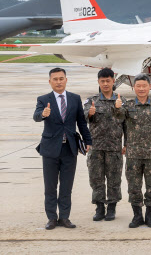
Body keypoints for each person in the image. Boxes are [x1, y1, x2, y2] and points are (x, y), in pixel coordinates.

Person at [33, 67, 92, 230]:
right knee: (50, 186)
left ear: (66, 80)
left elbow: (81, 122)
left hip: (69, 149)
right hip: (50, 149)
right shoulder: (43, 99)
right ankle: (52, 218)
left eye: (61, 78)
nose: (58, 82)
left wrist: (88, 140)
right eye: (55, 79)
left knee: (66, 186)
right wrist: (43, 114)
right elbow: (36, 116)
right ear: (50, 81)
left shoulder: (74, 98)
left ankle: (65, 217)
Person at [120, 73, 151, 228]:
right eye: (138, 86)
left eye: (144, 86)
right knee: (134, 187)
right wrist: (124, 144)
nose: (141, 89)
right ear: (134, 88)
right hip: (133, 154)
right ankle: (137, 216)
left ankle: (150, 216)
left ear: (149, 87)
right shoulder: (127, 106)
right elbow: (119, 124)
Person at [83, 68, 125, 222]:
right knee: (96, 178)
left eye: (108, 80)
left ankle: (112, 207)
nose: (105, 84)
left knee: (114, 178)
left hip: (114, 147)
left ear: (113, 81)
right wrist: (90, 113)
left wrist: (126, 144)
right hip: (96, 147)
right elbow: (83, 116)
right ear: (98, 82)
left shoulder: (121, 101)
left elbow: (127, 125)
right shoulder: (91, 100)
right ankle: (100, 207)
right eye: (102, 81)